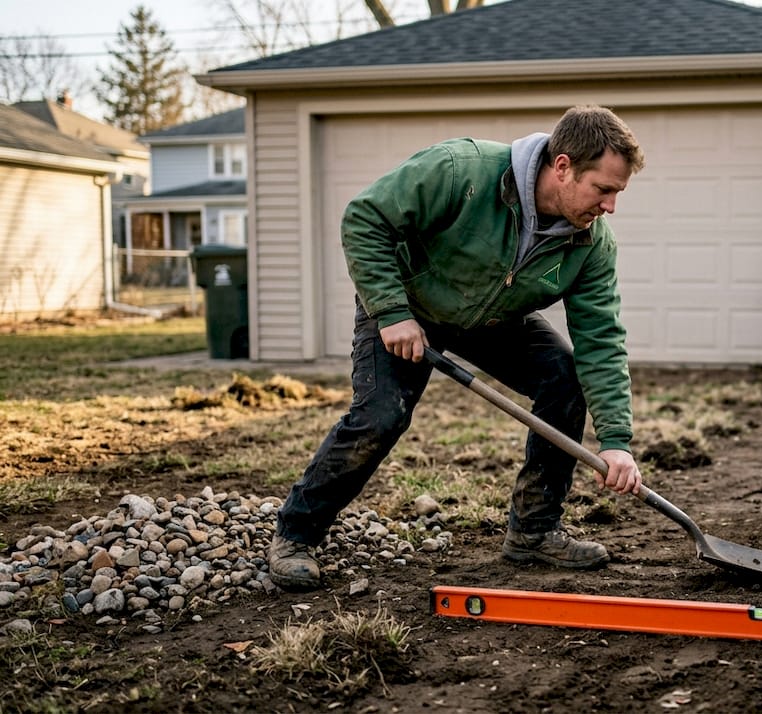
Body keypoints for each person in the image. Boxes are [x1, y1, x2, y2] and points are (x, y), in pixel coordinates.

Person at [268, 105, 646, 591]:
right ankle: (296, 534)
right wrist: (391, 312)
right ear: (563, 166)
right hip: (407, 305)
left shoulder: (591, 243)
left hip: (492, 319)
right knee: (381, 416)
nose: (610, 206)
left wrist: (616, 441)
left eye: (617, 193)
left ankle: (533, 531)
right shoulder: (458, 171)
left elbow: (601, 339)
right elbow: (365, 219)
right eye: (605, 189)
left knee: (564, 378)